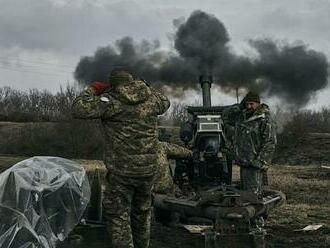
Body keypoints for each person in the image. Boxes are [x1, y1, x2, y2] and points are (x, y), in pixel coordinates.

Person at [72, 69, 170, 248]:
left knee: (118, 216)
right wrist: (145, 87)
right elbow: (165, 101)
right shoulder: (151, 100)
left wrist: (92, 90)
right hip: (148, 171)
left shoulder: (111, 102)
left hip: (122, 172)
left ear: (113, 85)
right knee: (142, 213)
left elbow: (79, 108)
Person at [233, 91, 276, 196]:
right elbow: (227, 117)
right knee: (246, 193)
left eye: (251, 104)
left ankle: (258, 212)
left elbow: (270, 142)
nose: (249, 106)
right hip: (244, 162)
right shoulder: (244, 117)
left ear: (258, 103)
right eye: (247, 104)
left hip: (255, 164)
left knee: (254, 196)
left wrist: (260, 161)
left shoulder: (265, 119)